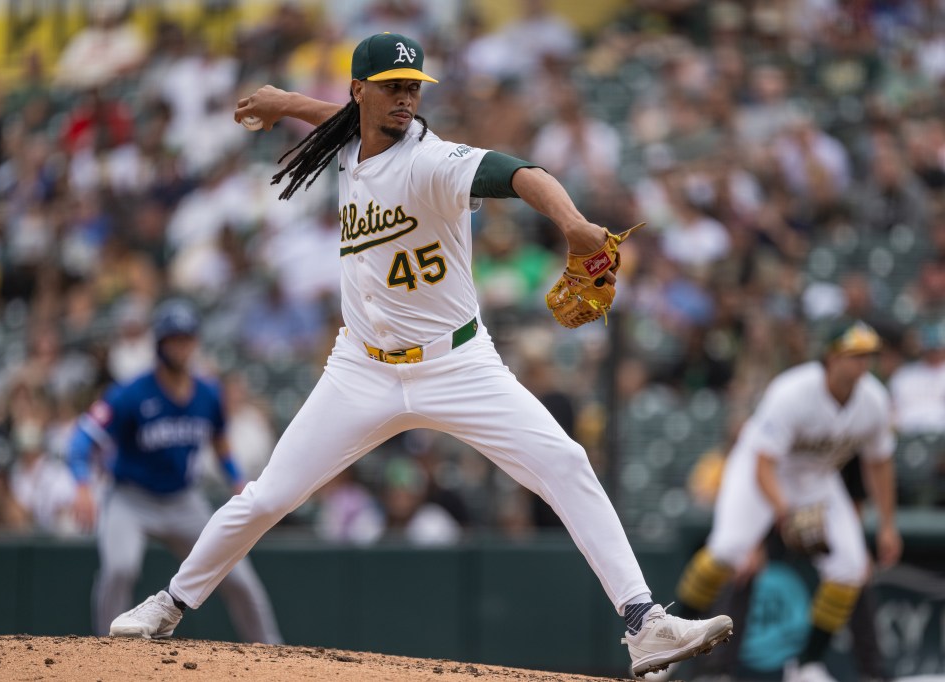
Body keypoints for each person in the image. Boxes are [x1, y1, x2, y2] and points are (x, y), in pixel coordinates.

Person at [108, 33, 732, 677]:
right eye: (392, 86)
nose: (406, 97)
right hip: (361, 369)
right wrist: (287, 101)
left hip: (457, 364)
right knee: (267, 497)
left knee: (564, 460)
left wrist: (572, 224)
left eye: (413, 86)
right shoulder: (351, 140)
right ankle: (170, 603)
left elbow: (523, 173)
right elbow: (338, 122)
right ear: (361, 92)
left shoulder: (433, 161)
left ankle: (645, 623)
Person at [661, 320, 901, 682]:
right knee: (728, 550)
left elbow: (879, 465)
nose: (862, 364)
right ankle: (669, 644)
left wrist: (886, 526)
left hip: (817, 477)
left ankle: (806, 665)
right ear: (831, 356)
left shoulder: (874, 400)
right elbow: (763, 465)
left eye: (868, 355)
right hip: (760, 470)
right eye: (854, 354)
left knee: (851, 567)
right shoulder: (794, 391)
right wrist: (784, 513)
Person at [66, 299, 282, 643]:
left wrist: (236, 479)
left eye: (186, 338)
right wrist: (81, 484)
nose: (181, 346)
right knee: (120, 567)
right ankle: (104, 654)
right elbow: (81, 440)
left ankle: (272, 652)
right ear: (160, 343)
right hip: (130, 498)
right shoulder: (130, 393)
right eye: (173, 339)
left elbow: (220, 441)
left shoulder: (208, 393)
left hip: (183, 501)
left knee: (239, 578)